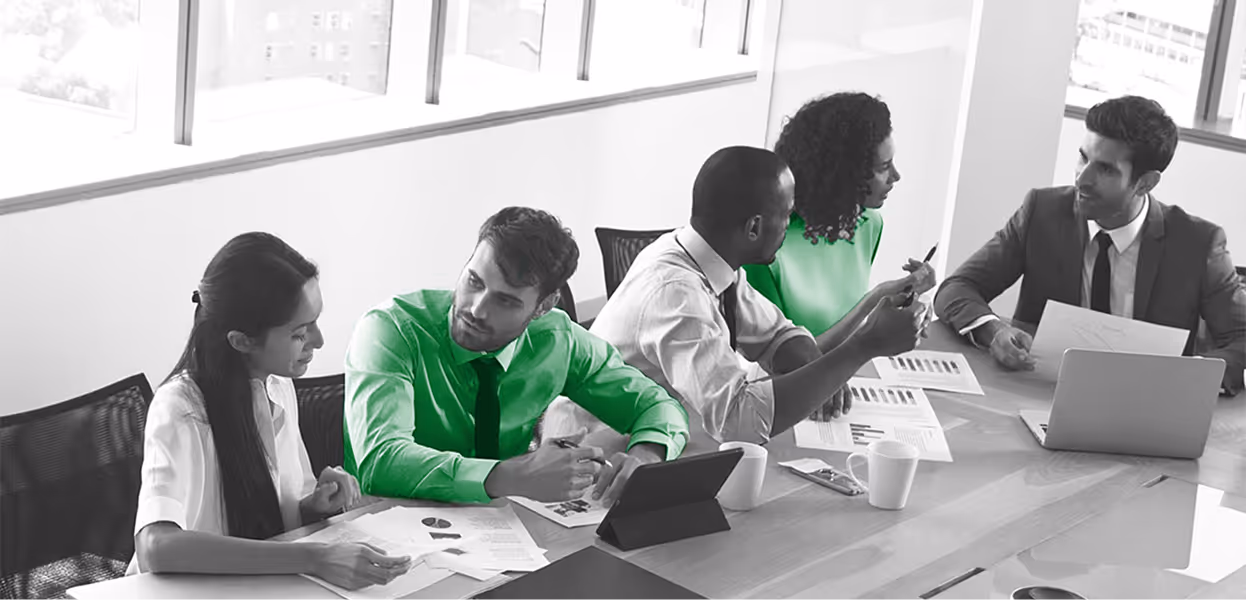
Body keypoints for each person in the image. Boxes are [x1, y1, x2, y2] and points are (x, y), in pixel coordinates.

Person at [543, 146, 926, 448]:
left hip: (662, 437)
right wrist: (863, 346)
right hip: (590, 454)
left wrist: (820, 373)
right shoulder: (676, 295)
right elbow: (736, 422)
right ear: (755, 227)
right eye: (787, 214)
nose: (789, 225)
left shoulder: (710, 259)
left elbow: (779, 336)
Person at [344, 207, 689, 508]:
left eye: (506, 301)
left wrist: (648, 453)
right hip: (390, 525)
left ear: (544, 306)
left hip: (502, 530)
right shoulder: (389, 330)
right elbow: (381, 461)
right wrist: (512, 475)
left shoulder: (558, 339)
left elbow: (658, 406)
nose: (476, 309)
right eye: (474, 281)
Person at [132, 232, 412, 591]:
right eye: (300, 333)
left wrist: (314, 508)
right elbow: (156, 547)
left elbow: (270, 522)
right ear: (242, 341)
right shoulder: (181, 408)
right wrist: (314, 557)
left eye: (315, 321)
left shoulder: (277, 386)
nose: (319, 340)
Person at [934, 95, 1245, 394]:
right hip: (1037, 396)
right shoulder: (1042, 212)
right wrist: (994, 332)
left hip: (1147, 410)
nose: (1082, 179)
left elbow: (1242, 339)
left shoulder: (1199, 245)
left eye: (1106, 169)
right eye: (1083, 157)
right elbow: (957, 288)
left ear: (1146, 182)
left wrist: (1191, 376)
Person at [744, 92, 936, 353]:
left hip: (848, 380)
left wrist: (902, 303)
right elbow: (787, 359)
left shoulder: (869, 224)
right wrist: (872, 302)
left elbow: (845, 327)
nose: (896, 176)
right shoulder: (764, 247)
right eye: (884, 167)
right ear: (845, 173)